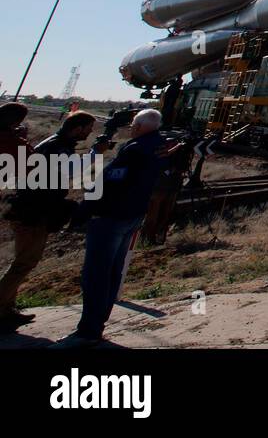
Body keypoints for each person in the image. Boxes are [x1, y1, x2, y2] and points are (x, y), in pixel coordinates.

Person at [55, 108, 169, 348]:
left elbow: (109, 182)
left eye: (133, 125)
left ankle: (88, 331)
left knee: (96, 275)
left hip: (112, 216)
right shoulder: (160, 147)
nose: (131, 128)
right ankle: (96, 325)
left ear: (137, 127)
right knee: (112, 272)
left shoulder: (135, 149)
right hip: (134, 214)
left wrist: (85, 210)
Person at [0, 112, 99, 330]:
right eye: (89, 127)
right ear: (78, 128)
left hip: (33, 209)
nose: (91, 131)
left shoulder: (56, 143)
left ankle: (7, 308)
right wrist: (93, 156)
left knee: (23, 262)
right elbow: (68, 172)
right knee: (23, 263)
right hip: (34, 212)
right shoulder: (57, 146)